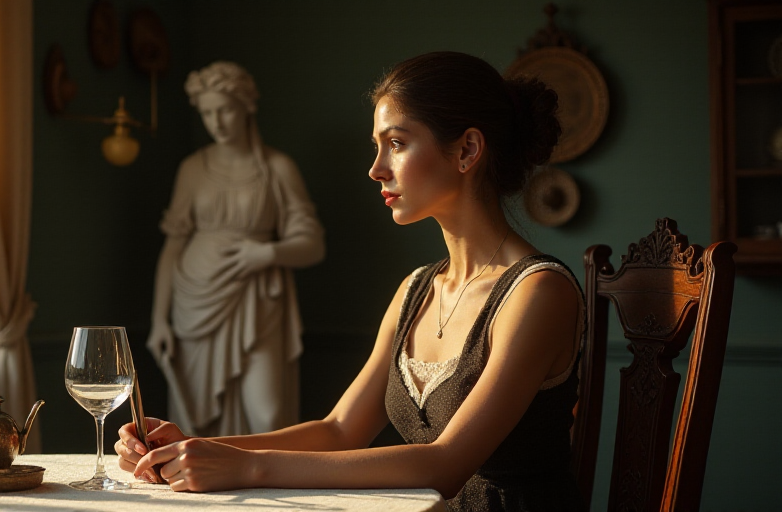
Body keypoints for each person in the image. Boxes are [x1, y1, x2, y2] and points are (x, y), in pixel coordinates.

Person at [121, 51, 583, 511]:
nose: (376, 168)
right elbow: (340, 429)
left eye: (397, 144)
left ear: (466, 150)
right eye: (377, 146)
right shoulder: (416, 290)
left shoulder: (538, 292)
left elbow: (446, 465)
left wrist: (247, 467)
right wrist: (193, 447)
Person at [146, 61, 325, 437]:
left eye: (224, 109)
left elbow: (312, 245)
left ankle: (273, 492)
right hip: (193, 302)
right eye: (207, 113)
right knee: (196, 422)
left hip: (258, 301)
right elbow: (173, 246)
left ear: (247, 106)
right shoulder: (192, 169)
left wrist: (268, 254)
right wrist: (159, 320)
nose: (217, 122)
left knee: (268, 416)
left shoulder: (277, 168)